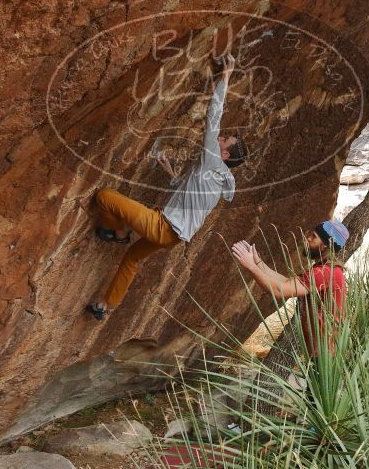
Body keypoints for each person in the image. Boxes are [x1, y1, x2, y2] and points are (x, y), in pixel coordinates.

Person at [86, 53, 249, 320]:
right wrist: (172, 173)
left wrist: (227, 76)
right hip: (172, 236)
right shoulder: (219, 180)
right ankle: (104, 305)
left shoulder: (213, 161)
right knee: (132, 259)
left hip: (163, 227)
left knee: (104, 196)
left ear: (226, 155)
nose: (220, 137)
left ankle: (117, 233)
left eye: (225, 140)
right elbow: (190, 197)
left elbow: (213, 116)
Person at [231, 219, 349, 358]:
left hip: (326, 357)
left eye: (314, 237)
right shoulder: (326, 269)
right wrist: (257, 261)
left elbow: (279, 291)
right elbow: (286, 281)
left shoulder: (323, 273)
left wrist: (250, 266)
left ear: (324, 246)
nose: (308, 238)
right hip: (325, 353)